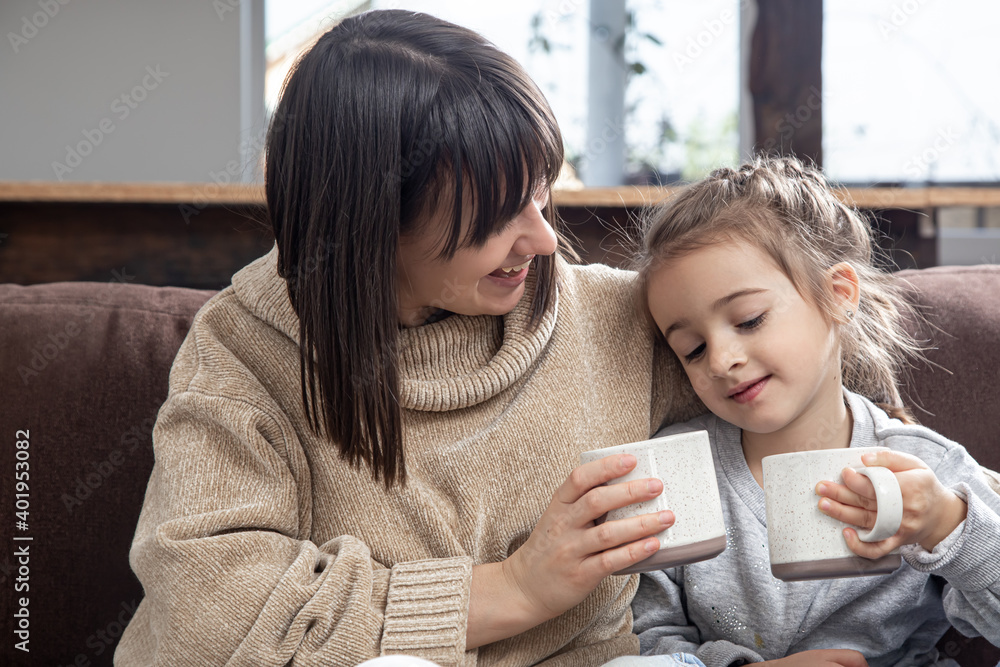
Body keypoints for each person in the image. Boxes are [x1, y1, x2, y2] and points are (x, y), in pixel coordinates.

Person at [115, 10, 707, 666]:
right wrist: (517, 587)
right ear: (374, 226)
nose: (543, 241)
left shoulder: (612, 319)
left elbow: (801, 386)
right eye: (497, 216)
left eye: (540, 197)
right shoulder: (242, 351)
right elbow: (207, 619)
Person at [629, 155, 1000, 667]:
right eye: (691, 349)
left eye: (750, 319)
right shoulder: (677, 468)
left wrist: (948, 524)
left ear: (838, 295)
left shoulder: (923, 467)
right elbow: (648, 636)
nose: (720, 360)